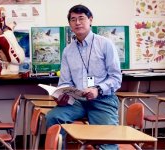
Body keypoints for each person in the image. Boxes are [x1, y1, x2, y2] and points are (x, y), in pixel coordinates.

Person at [45, 4, 122, 150]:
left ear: (90, 20)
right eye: (73, 20)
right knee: (53, 117)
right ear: (70, 24)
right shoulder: (68, 51)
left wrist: (97, 89)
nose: (77, 22)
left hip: (102, 99)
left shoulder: (105, 44)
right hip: (78, 101)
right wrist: (61, 94)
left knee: (107, 142)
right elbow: (65, 81)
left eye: (81, 18)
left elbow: (116, 78)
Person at [0, 7, 25, 75]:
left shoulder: (8, 28)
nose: (0, 16)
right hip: (2, 55)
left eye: (2, 14)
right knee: (1, 72)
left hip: (11, 55)